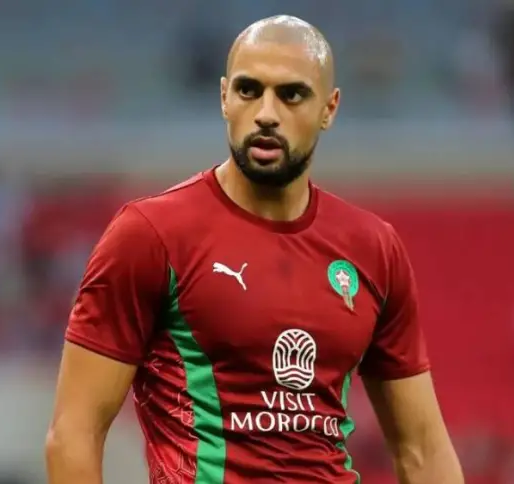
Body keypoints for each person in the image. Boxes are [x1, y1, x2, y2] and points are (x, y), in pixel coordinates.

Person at [45, 15, 463, 484]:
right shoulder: (150, 235)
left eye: (291, 94)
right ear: (224, 97)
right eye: (249, 90)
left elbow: (423, 451)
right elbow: (74, 434)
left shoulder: (373, 248)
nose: (266, 112)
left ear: (330, 107)